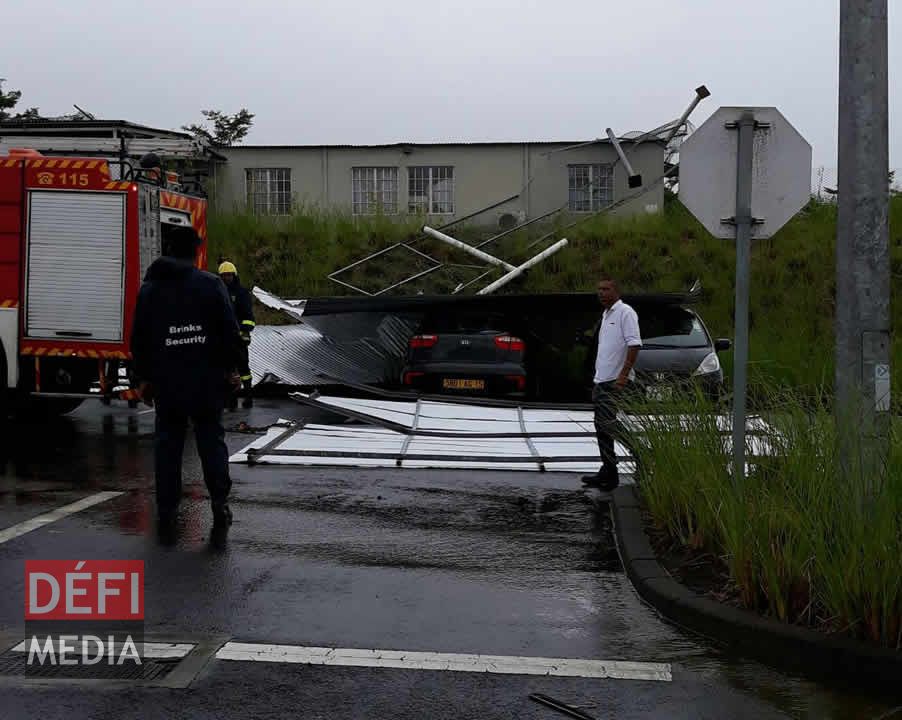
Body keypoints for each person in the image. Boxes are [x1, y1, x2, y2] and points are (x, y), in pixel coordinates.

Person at [131, 226, 244, 533]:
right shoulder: (211, 285)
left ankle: (166, 512)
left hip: (168, 384)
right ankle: (220, 503)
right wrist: (232, 370)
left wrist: (140, 379)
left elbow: (139, 339)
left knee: (168, 446)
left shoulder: (151, 290)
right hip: (207, 382)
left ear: (167, 250)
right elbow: (229, 332)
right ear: (196, 251)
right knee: (211, 442)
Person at [582, 276, 642, 491]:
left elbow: (634, 345)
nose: (601, 293)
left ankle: (641, 454)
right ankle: (609, 470)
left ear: (616, 290)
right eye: (599, 289)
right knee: (601, 426)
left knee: (608, 423)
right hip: (602, 379)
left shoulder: (626, 312)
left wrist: (623, 375)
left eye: (606, 289)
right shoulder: (606, 314)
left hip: (615, 380)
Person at [218, 260, 255, 409]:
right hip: (223, 339)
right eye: (224, 275)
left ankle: (248, 396)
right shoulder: (217, 293)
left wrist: (245, 332)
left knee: (243, 369)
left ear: (234, 275)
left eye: (229, 275)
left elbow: (248, 317)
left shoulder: (241, 292)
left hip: (238, 338)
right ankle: (231, 399)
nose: (227, 278)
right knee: (227, 369)